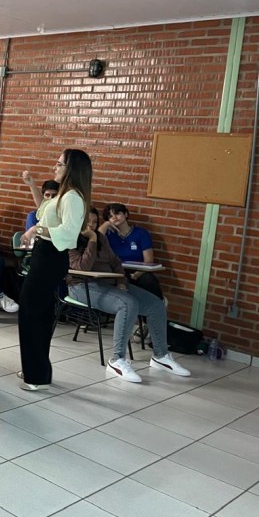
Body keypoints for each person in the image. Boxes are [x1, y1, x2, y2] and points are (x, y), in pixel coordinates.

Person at [67, 208, 190, 383]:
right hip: (82, 285)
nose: (91, 226)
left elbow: (115, 262)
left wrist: (122, 282)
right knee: (127, 304)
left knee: (156, 304)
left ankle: (161, 356)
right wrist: (92, 240)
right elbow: (82, 267)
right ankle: (117, 360)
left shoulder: (102, 238)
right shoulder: (70, 240)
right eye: (87, 222)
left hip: (109, 282)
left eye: (94, 222)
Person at [17, 149, 92, 391]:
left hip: (50, 256)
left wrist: (36, 230)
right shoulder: (64, 195)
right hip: (45, 255)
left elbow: (69, 233)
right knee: (38, 313)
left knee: (32, 313)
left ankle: (36, 375)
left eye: (59, 164)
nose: (55, 167)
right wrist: (32, 185)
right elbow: (44, 211)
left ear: (71, 169)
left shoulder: (73, 198)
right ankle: (36, 369)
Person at [99, 203, 163, 299]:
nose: (114, 218)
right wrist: (106, 224)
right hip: (116, 270)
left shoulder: (141, 233)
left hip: (138, 271)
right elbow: (96, 238)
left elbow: (149, 260)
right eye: (110, 216)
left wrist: (137, 274)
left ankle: (158, 303)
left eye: (117, 213)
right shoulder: (108, 234)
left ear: (126, 214)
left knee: (148, 279)